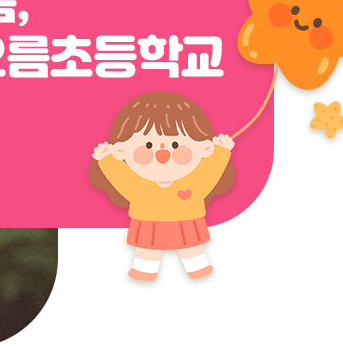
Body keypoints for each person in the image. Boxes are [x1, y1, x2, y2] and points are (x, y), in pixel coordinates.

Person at [90, 91, 235, 290]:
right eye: (148, 145)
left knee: (191, 249)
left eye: (176, 144)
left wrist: (220, 152)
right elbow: (122, 179)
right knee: (147, 252)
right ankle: (145, 273)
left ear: (203, 148)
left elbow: (210, 174)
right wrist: (107, 161)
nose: (162, 153)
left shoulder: (192, 183)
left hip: (183, 220)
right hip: (152, 223)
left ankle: (198, 270)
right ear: (122, 150)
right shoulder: (140, 188)